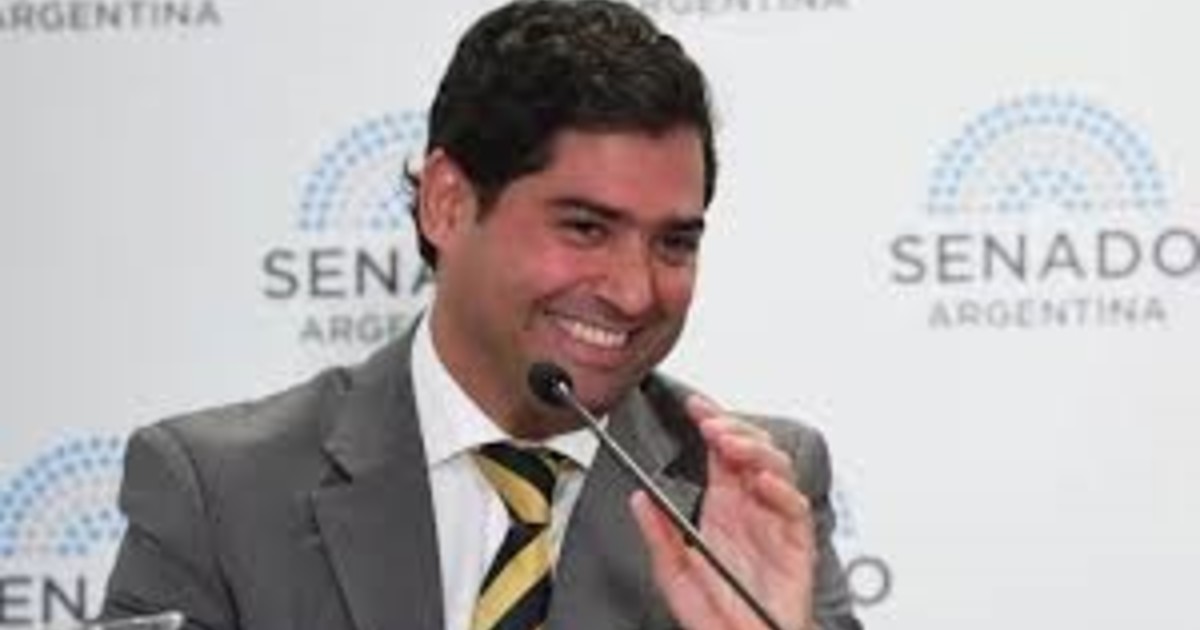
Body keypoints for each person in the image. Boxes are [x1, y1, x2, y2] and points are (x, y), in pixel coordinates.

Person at [102, 1, 862, 629]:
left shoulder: (749, 494)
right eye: (585, 228)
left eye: (674, 243)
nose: (635, 292)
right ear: (446, 203)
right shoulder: (219, 494)